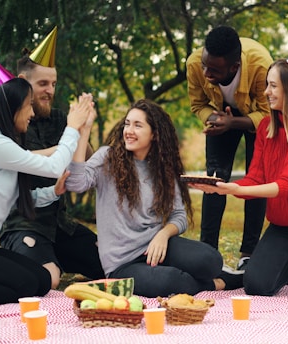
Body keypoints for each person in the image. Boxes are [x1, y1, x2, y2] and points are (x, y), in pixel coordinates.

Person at [190, 39, 288, 300]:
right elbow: (256, 178)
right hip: (283, 225)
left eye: (273, 86)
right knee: (257, 285)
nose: (266, 92)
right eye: (267, 85)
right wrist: (222, 188)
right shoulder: (266, 127)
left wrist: (233, 188)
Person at [65, 99, 244, 297]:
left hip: (159, 247)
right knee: (172, 280)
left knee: (211, 260)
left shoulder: (162, 169)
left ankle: (205, 276)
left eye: (137, 125)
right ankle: (215, 284)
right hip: (123, 264)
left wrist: (163, 235)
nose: (128, 130)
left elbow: (179, 216)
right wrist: (85, 131)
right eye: (127, 123)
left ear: (154, 134)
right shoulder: (107, 158)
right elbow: (75, 184)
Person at [0, 77, 95, 304]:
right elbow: (53, 167)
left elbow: (18, 200)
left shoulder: (6, 147)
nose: (32, 113)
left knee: (40, 280)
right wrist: (72, 128)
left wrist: (54, 192)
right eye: (28, 105)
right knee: (25, 285)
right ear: (13, 108)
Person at [0, 27, 105, 289]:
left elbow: (86, 162)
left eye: (54, 84)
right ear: (23, 82)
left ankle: (57, 257)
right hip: (23, 225)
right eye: (43, 84)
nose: (50, 90)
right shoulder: (8, 122)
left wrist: (84, 128)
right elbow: (29, 162)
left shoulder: (59, 118)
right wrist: (68, 138)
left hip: (60, 225)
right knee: (49, 279)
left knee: (110, 265)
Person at [186, 26, 271, 269]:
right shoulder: (195, 63)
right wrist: (212, 119)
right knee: (215, 179)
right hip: (219, 115)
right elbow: (198, 105)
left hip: (256, 118)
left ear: (234, 67)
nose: (206, 72)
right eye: (205, 65)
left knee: (256, 181)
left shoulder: (260, 65)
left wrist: (233, 122)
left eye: (214, 70)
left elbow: (266, 114)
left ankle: (249, 254)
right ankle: (208, 251)